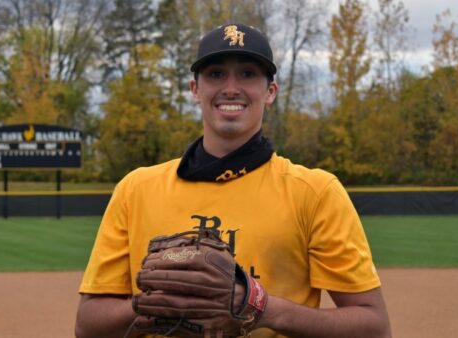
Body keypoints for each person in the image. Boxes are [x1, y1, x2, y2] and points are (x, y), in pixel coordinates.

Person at [75, 23, 391, 338]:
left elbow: (374, 328)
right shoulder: (137, 189)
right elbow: (87, 325)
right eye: (215, 74)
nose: (230, 87)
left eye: (248, 74)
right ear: (195, 89)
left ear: (270, 92)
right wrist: (151, 305)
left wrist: (263, 308)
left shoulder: (315, 192)